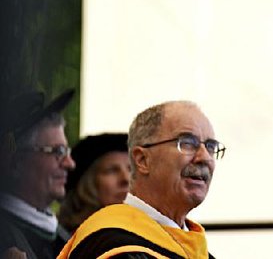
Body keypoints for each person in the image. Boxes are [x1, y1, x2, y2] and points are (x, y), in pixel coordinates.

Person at [57, 101, 224, 259]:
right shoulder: (112, 245)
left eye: (210, 147)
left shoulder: (196, 250)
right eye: (187, 143)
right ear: (143, 160)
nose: (205, 158)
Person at [0, 89, 76, 259]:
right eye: (57, 151)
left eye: (67, 152)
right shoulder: (6, 240)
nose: (70, 163)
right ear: (16, 163)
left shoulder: (66, 240)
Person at [57, 133, 130, 235]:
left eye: (131, 170)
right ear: (88, 185)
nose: (126, 179)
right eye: (111, 171)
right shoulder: (71, 243)